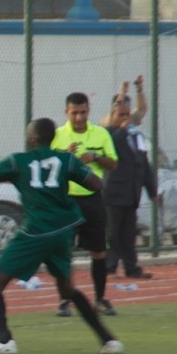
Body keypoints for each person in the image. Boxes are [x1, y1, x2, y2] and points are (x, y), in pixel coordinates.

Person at [0, 119, 124, 354]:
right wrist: (69, 176)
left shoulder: (19, 161)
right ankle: (108, 340)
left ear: (33, 138)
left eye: (28, 134)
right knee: (68, 290)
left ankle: (4, 341)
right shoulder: (66, 159)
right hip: (62, 232)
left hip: (35, 231)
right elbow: (96, 184)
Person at [51, 92, 118, 317]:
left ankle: (100, 299)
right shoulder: (57, 136)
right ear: (66, 112)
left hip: (92, 200)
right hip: (66, 200)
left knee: (98, 251)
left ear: (88, 111)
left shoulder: (100, 133)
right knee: (64, 252)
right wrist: (64, 157)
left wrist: (96, 157)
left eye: (83, 112)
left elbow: (113, 164)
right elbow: (47, 165)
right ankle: (64, 300)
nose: (79, 117)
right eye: (74, 113)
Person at [104, 97, 156, 280]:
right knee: (113, 233)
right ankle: (109, 268)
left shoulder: (136, 136)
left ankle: (132, 268)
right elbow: (111, 146)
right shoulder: (108, 134)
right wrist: (121, 130)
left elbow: (143, 164)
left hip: (132, 193)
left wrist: (152, 190)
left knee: (128, 234)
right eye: (121, 115)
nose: (125, 118)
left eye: (127, 115)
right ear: (113, 116)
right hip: (114, 193)